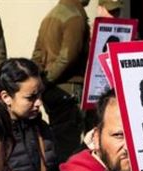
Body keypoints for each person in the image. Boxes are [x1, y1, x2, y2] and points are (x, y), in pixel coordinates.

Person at [32, 0, 91, 162]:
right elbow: (67, 58)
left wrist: (40, 83)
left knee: (59, 144)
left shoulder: (51, 15)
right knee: (69, 150)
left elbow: (37, 55)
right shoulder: (75, 16)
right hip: (68, 90)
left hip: (53, 91)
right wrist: (45, 81)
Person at [0, 58, 59, 171]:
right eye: (30, 98)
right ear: (6, 97)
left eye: (40, 94)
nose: (39, 103)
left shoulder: (42, 129)